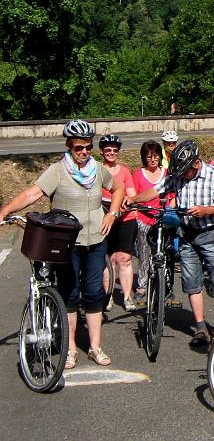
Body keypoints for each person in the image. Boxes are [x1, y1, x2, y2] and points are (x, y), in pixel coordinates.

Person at [0, 120, 125, 368]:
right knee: (70, 293)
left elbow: (118, 187)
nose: (84, 152)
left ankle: (95, 347)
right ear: (69, 146)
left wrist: (112, 213)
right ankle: (70, 349)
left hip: (96, 239)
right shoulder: (57, 170)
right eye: (79, 148)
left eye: (88, 147)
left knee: (95, 293)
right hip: (68, 242)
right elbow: (33, 193)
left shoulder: (97, 169)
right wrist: (5, 211)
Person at [131, 140, 214, 347]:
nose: (182, 176)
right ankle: (200, 327)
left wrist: (207, 211)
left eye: (186, 171)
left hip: (212, 233)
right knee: (191, 281)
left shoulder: (213, 175)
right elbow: (156, 190)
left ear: (196, 164)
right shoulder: (178, 174)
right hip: (187, 233)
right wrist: (133, 199)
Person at [99, 134, 139, 312]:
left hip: (125, 219)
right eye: (108, 150)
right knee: (108, 259)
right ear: (102, 151)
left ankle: (127, 296)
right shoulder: (97, 170)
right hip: (104, 219)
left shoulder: (124, 171)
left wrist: (127, 201)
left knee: (124, 258)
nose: (111, 153)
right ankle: (108, 296)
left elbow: (131, 193)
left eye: (115, 150)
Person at [131, 140, 169, 306]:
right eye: (148, 157)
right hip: (143, 218)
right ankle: (142, 285)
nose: (152, 160)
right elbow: (133, 197)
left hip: (163, 218)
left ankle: (165, 285)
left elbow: (173, 196)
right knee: (143, 252)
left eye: (155, 156)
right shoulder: (138, 174)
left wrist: (168, 209)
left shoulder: (167, 173)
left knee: (164, 253)